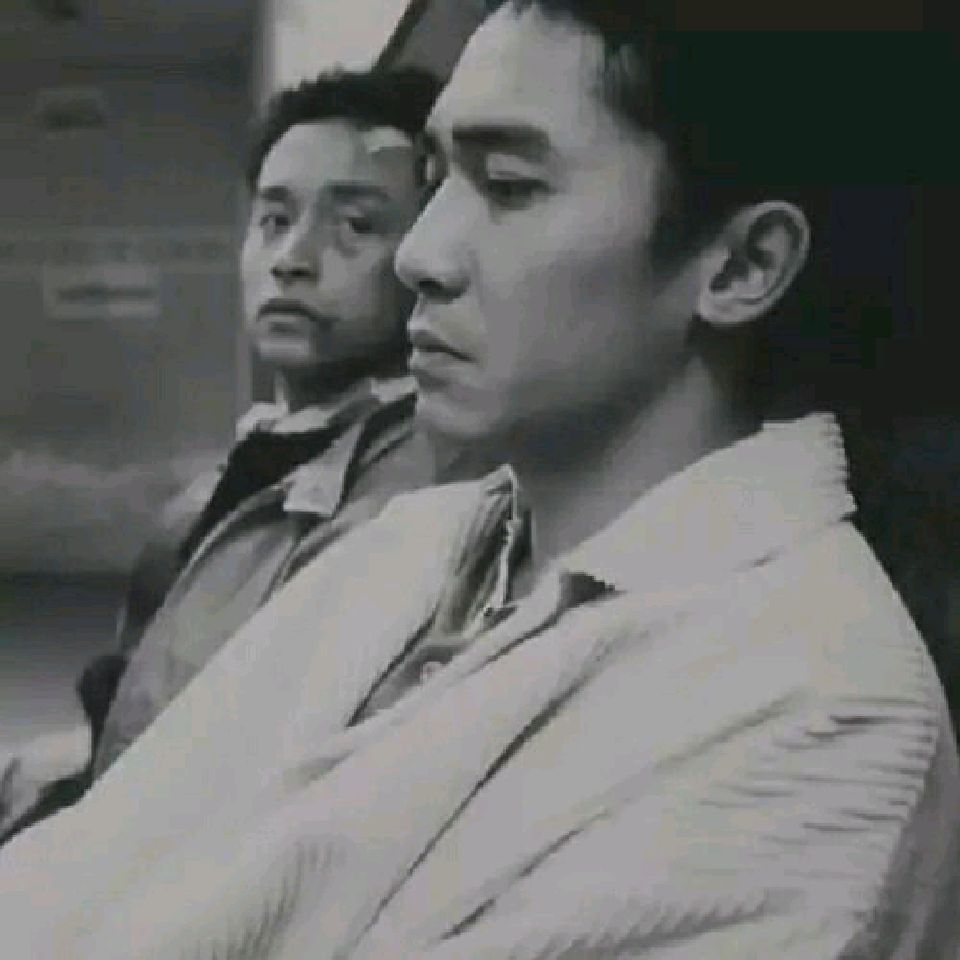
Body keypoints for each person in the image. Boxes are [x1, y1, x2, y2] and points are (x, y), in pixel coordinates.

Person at [2, 3, 958, 958]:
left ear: (742, 265)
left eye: (508, 186)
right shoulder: (413, 543)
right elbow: (86, 863)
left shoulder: (820, 715)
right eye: (434, 179)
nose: (418, 254)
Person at [0, 65, 440, 842]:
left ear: (433, 255)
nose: (292, 258)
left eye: (356, 226)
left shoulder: (415, 490)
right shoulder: (246, 467)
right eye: (273, 219)